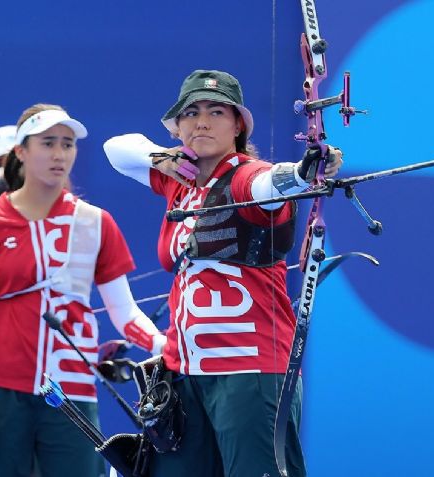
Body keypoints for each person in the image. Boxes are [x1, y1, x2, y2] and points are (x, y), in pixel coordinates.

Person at [104, 69, 343, 477]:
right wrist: (161, 158)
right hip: (185, 374)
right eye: (191, 112)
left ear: (237, 126)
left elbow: (269, 184)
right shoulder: (178, 181)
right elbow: (115, 148)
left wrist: (303, 172)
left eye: (216, 112)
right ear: (177, 127)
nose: (202, 122)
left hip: (248, 372)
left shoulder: (247, 175)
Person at [0, 104, 166, 477]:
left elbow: (125, 312)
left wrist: (162, 346)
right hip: (1, 392)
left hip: (73, 390)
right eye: (47, 143)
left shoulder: (96, 223)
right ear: (21, 151)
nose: (59, 154)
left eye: (67, 144)